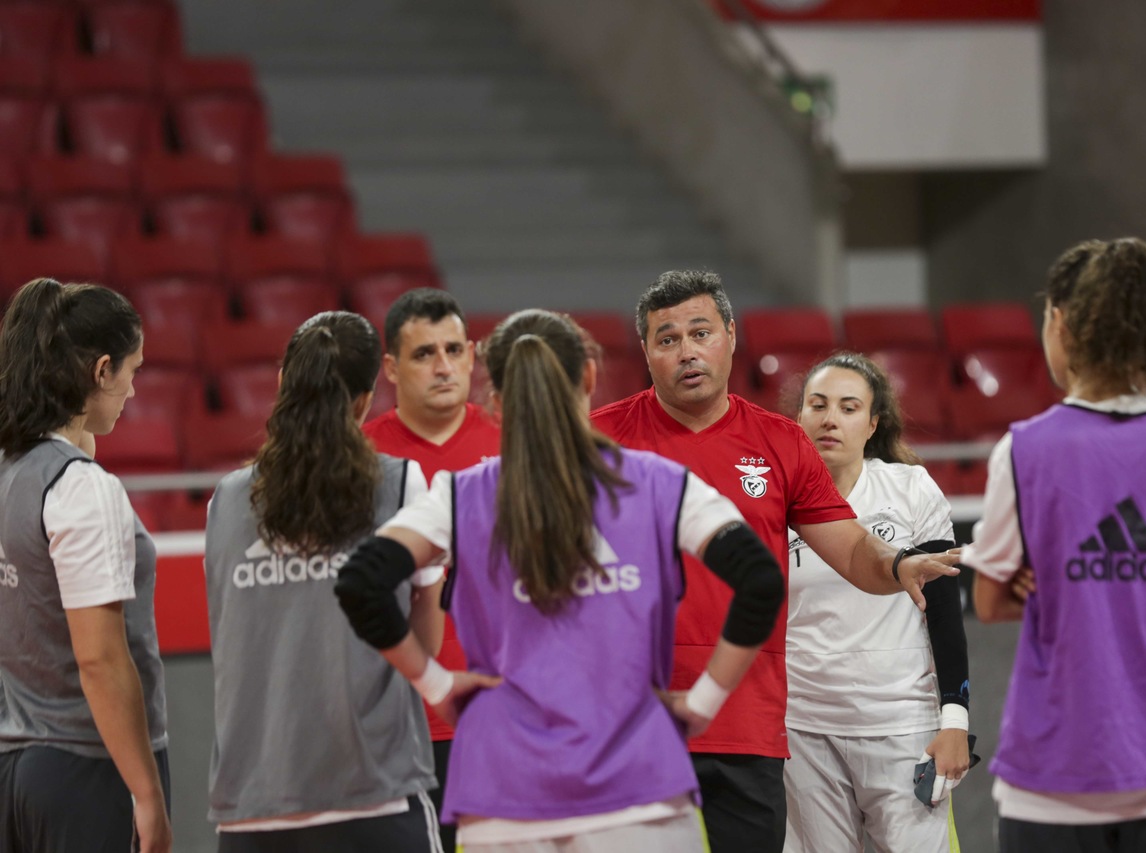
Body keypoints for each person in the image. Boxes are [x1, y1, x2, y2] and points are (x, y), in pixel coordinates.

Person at [334, 308, 787, 852]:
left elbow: (361, 582)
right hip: (640, 793)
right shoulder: (660, 484)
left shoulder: (460, 496)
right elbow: (760, 579)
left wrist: (436, 685)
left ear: (497, 401)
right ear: (590, 378)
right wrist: (702, 702)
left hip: (503, 799)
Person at [590, 269, 960, 853]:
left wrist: (897, 565)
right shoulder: (595, 443)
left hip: (748, 725)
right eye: (667, 339)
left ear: (731, 337)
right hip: (628, 725)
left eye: (701, 332)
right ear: (646, 352)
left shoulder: (780, 442)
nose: (687, 351)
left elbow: (852, 547)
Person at [964, 238, 1146, 852]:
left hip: (1056, 771)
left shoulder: (1025, 449)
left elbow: (989, 601)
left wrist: (1045, 586)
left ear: (1062, 323)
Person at [204, 311, 444, 852]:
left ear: (285, 382)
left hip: (251, 811)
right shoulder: (401, 484)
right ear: (364, 399)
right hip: (373, 796)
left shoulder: (224, 501)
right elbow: (424, 647)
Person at [0, 278, 171, 853]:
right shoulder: (78, 487)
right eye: (131, 370)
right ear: (101, 371)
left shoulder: (11, 470)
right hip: (88, 768)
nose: (132, 389)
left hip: (15, 771)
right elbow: (99, 658)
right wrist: (147, 795)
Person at [784, 352, 970, 853]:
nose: (829, 419)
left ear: (872, 423)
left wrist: (955, 719)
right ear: (798, 418)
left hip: (902, 726)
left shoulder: (909, 488)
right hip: (803, 731)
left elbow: (946, 614)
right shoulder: (772, 501)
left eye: (848, 408)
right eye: (817, 405)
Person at [362, 289, 499, 850]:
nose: (443, 367)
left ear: (472, 354)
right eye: (424, 354)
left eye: (453, 350)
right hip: (399, 721)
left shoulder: (517, 444)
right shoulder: (360, 457)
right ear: (391, 368)